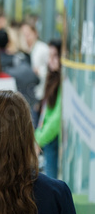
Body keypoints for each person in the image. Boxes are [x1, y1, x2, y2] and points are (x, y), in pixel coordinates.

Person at [35, 39, 62, 179]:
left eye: (55, 55)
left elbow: (57, 119)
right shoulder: (52, 78)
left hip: (52, 140)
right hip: (47, 138)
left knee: (51, 180)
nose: (51, 60)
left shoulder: (64, 81)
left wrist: (38, 139)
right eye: (49, 55)